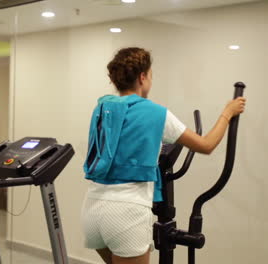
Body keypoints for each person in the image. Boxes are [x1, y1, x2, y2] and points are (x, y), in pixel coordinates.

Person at [80, 47, 246, 264]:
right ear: (142, 77)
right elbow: (206, 145)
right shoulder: (156, 113)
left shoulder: (102, 108)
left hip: (92, 210)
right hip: (126, 213)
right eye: (150, 75)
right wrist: (228, 112)